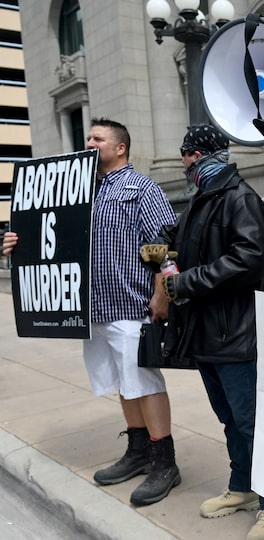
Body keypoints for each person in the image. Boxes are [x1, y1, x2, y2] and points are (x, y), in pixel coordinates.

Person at [3, 118, 180, 506]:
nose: (89, 142)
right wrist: (21, 242)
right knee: (121, 380)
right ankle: (137, 450)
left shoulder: (142, 189)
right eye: (87, 136)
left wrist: (163, 293)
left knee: (144, 381)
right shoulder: (81, 192)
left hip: (130, 303)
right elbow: (52, 239)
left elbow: (165, 246)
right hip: (93, 308)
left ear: (120, 148)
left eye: (97, 138)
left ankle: (163, 461)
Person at [140, 125, 264, 540]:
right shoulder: (200, 199)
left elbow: (247, 261)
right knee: (229, 419)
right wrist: (157, 245)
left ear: (199, 155)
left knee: (251, 422)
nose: (185, 163)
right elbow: (171, 232)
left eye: (187, 154)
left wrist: (183, 283)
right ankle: (243, 488)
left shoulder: (239, 198)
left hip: (236, 332)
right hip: (206, 332)